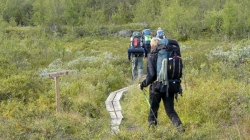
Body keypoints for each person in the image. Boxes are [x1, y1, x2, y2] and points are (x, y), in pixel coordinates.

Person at [138, 37, 185, 132]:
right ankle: (181, 129)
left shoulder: (152, 56)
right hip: (170, 86)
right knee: (170, 110)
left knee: (153, 109)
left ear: (152, 46)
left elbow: (151, 76)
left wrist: (142, 84)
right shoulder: (167, 54)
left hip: (157, 88)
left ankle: (152, 130)